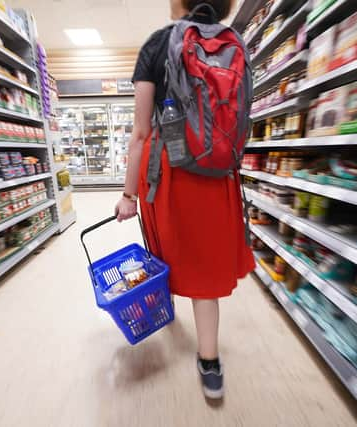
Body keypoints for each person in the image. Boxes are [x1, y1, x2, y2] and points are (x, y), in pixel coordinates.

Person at [115, 0, 254, 400]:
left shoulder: (157, 44)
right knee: (206, 267)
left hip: (169, 170)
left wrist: (128, 195)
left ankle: (166, 312)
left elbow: (141, 132)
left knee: (166, 251)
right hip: (216, 173)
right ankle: (209, 362)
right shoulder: (237, 44)